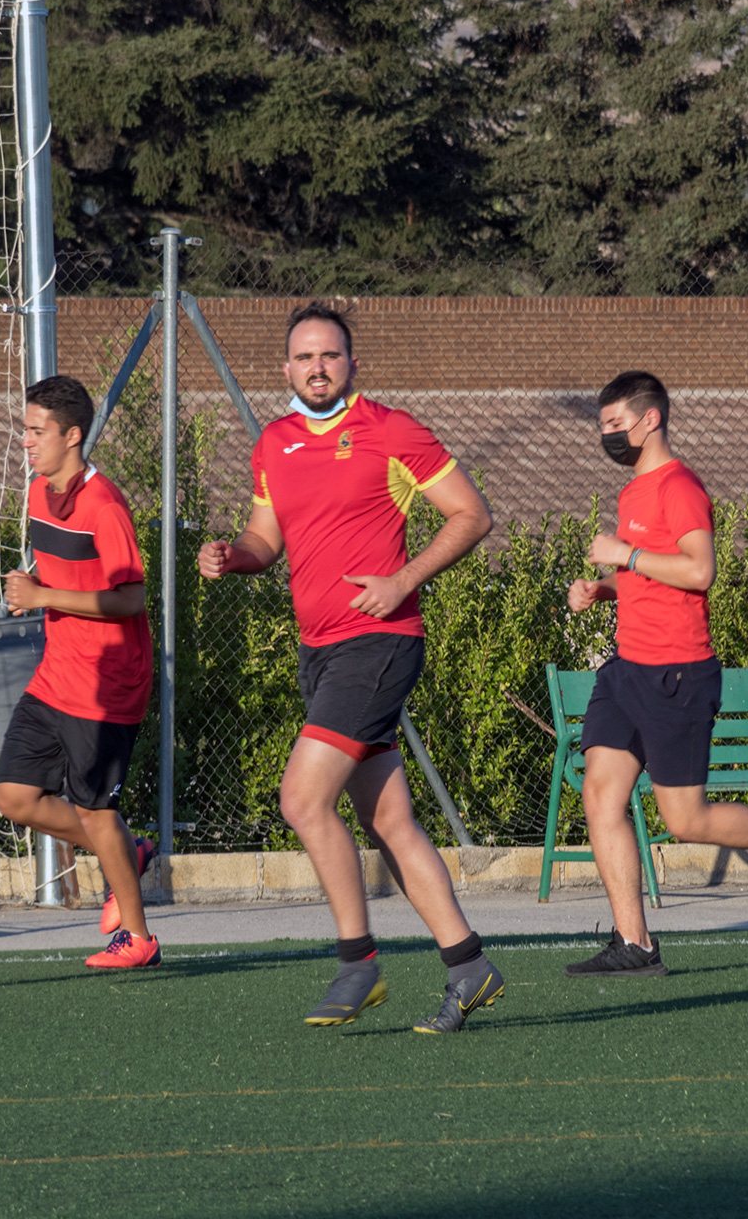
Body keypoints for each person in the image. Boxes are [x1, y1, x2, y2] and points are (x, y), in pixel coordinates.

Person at [199, 302, 504, 1033]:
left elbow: (472, 515)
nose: (318, 367)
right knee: (388, 819)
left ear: (352, 364)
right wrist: (233, 557)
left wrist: (403, 580)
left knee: (302, 801)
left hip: (379, 644)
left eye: (330, 355)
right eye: (305, 357)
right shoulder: (274, 443)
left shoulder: (390, 431)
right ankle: (469, 966)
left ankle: (358, 964)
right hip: (320, 652)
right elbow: (265, 539)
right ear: (286, 369)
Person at [562, 371, 748, 976]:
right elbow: (652, 573)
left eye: (616, 423)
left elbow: (700, 571)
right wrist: (605, 586)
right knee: (600, 794)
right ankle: (635, 943)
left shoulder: (680, 486)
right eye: (603, 426)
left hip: (676, 674)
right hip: (626, 670)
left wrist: (625, 554)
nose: (608, 435)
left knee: (685, 820)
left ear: (650, 419)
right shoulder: (633, 493)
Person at [0, 376, 161, 969]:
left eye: (37, 431)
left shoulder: (104, 505)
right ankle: (125, 853)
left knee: (95, 810)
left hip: (108, 681)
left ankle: (138, 938)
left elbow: (131, 598)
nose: (26, 441)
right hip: (57, 672)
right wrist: (38, 589)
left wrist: (43, 597)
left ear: (72, 436)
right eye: (26, 429)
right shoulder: (38, 492)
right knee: (14, 795)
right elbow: (66, 578)